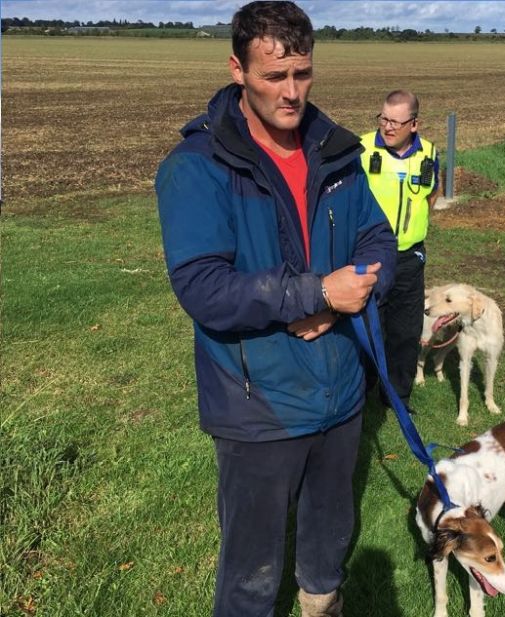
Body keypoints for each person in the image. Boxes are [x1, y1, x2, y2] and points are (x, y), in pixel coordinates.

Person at [155, 3, 396, 616]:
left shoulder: (336, 152)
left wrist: (352, 296)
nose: (292, 93)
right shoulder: (196, 168)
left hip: (340, 390)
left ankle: (322, 603)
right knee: (251, 573)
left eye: (303, 74)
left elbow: (378, 240)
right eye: (273, 77)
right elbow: (203, 287)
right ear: (237, 69)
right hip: (257, 402)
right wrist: (317, 293)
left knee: (327, 545)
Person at [360, 91, 439, 411]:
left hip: (410, 257)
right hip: (370, 257)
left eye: (395, 121)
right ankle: (360, 395)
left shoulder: (430, 152)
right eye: (383, 118)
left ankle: (397, 397)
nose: (387, 127)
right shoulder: (362, 149)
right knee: (368, 329)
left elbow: (432, 196)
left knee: (405, 332)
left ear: (415, 124)